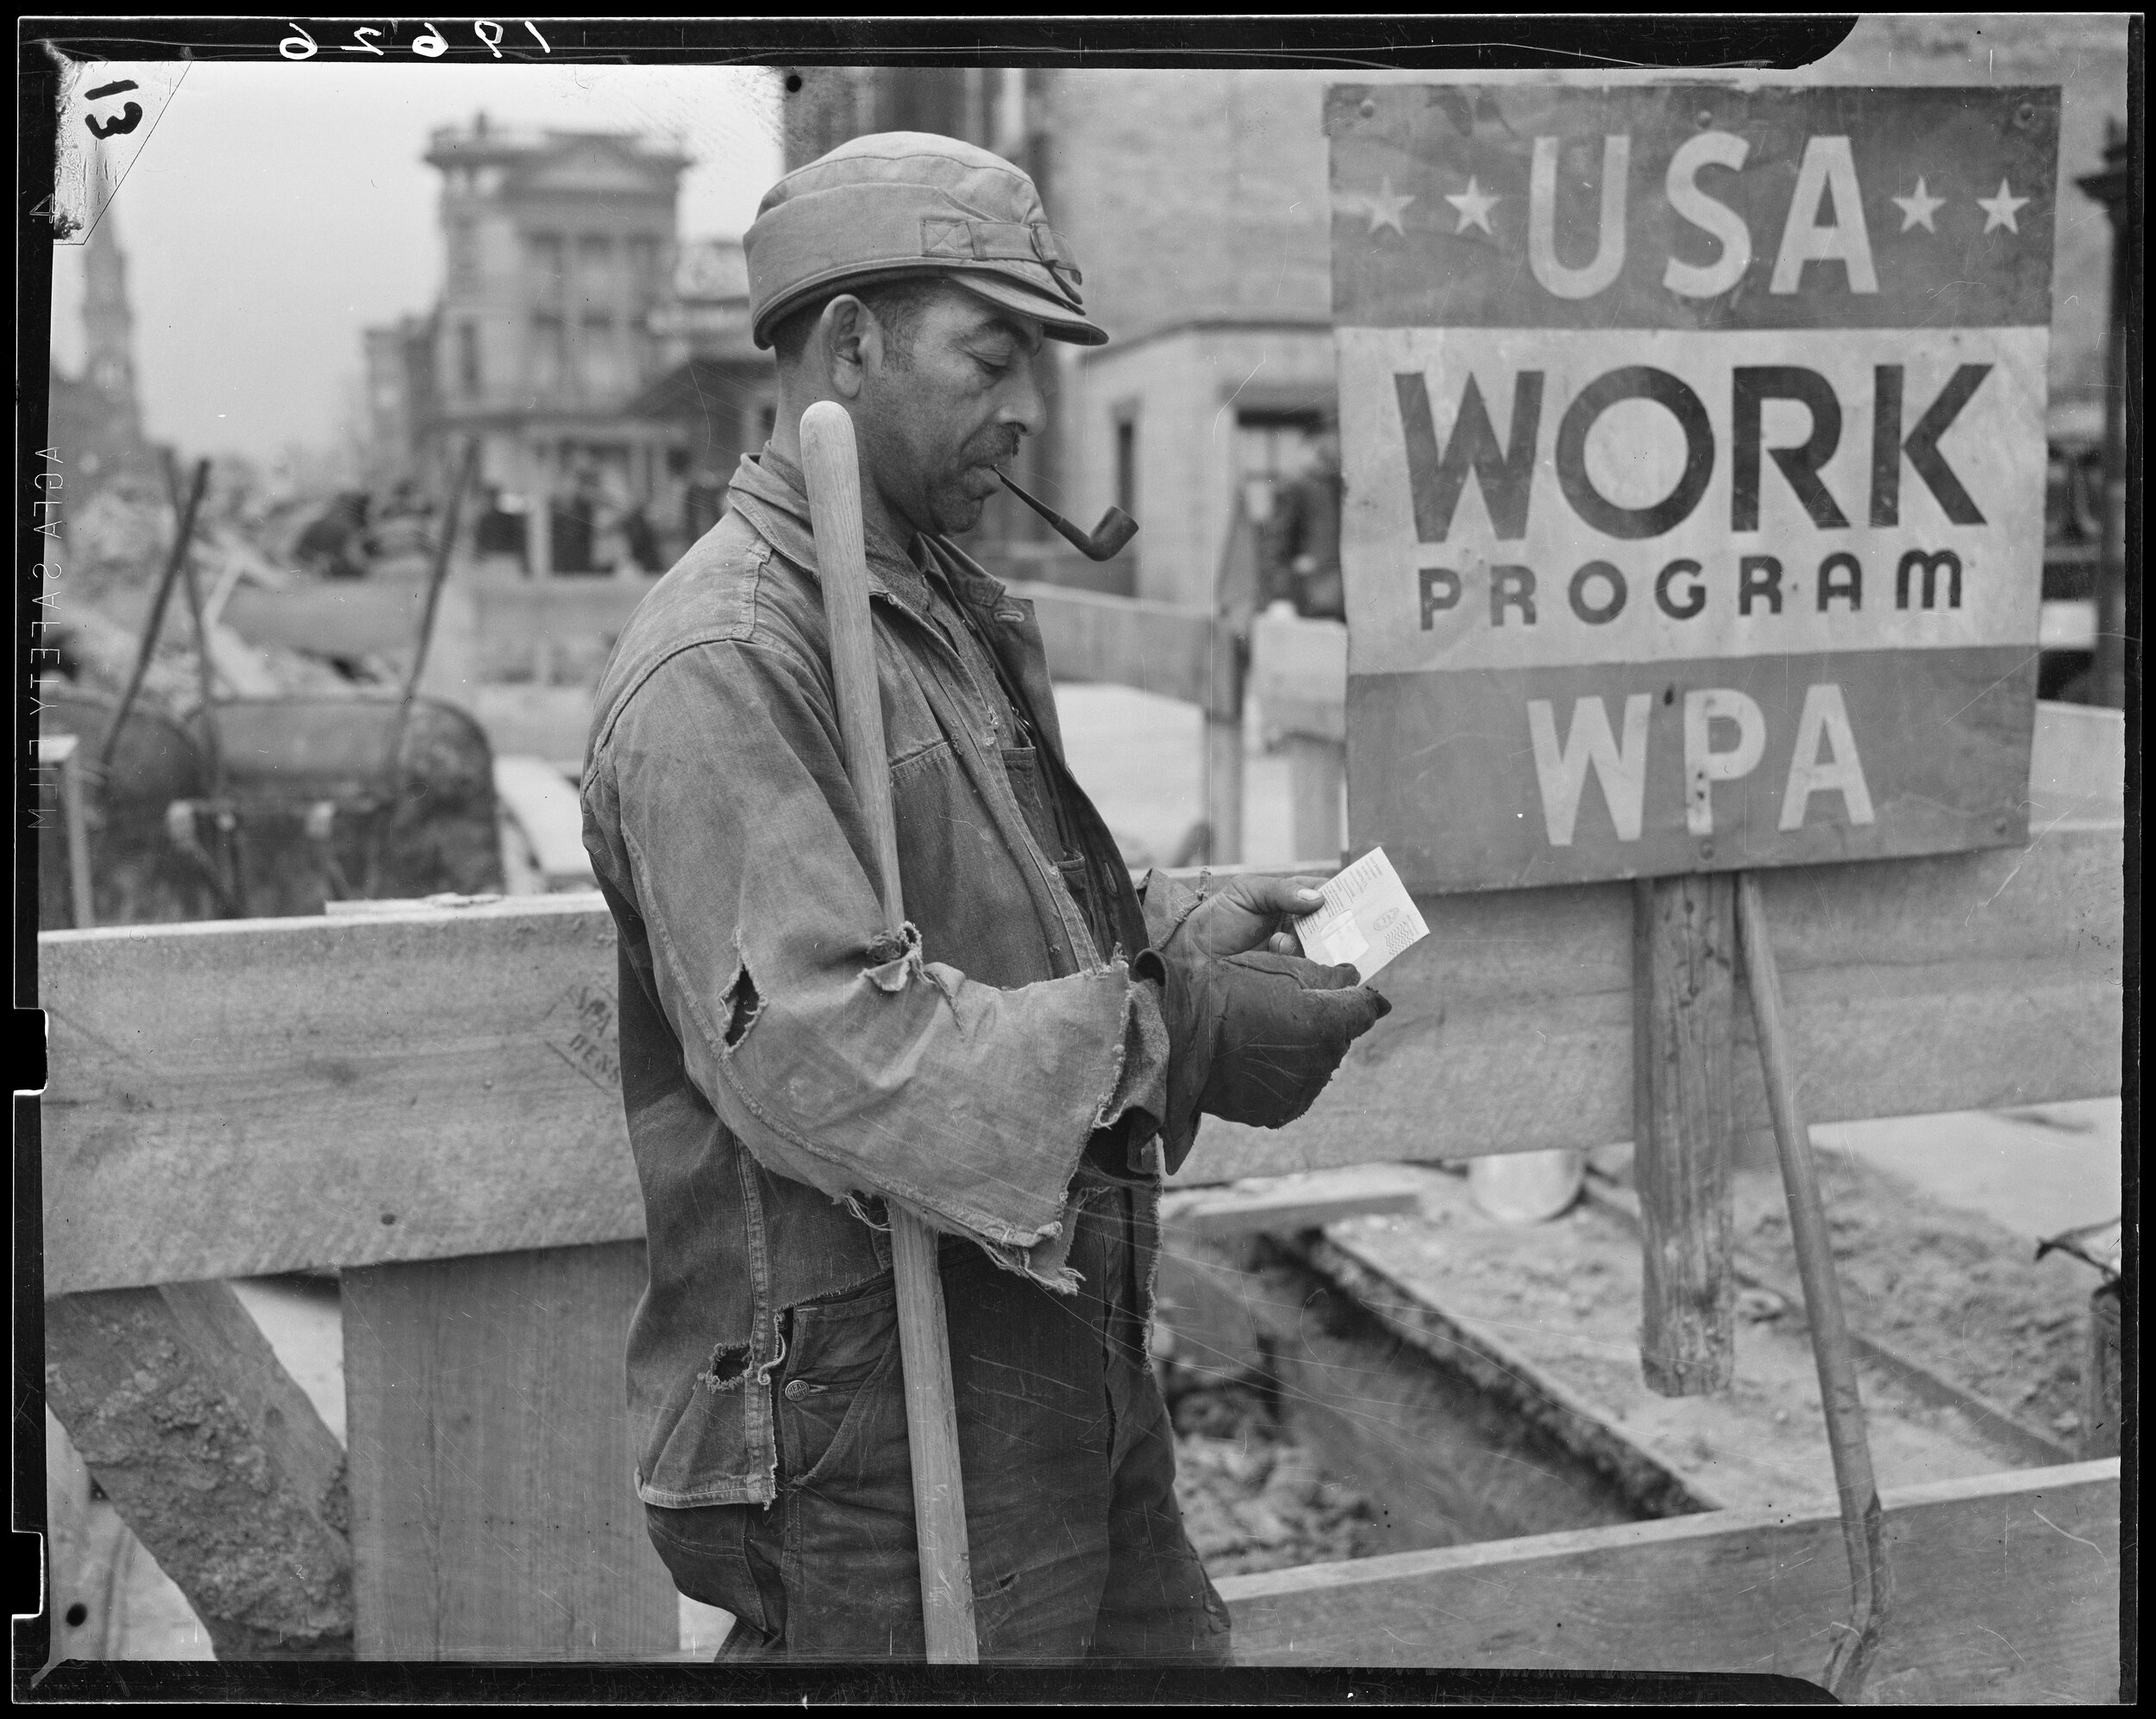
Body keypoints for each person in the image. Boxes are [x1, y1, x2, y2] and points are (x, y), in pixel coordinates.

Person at [580, 132, 1390, 1666]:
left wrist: (1174, 932)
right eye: (989, 356)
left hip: (1034, 1343)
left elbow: (980, 896)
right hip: (873, 1416)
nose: (1026, 410)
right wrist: (1173, 1035)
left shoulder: (926, 609)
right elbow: (829, 1051)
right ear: (849, 342)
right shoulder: (731, 659)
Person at [1259, 424, 1345, 621]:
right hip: (1309, 593)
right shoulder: (1296, 487)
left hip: (1339, 593)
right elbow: (1276, 543)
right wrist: (1280, 595)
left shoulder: (1339, 486)